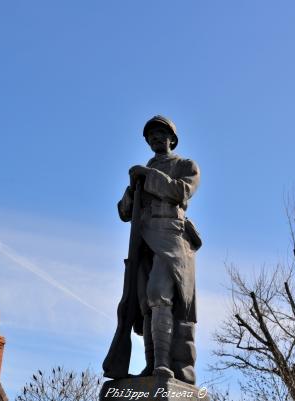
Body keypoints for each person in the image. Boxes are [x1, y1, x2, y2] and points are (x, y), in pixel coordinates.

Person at [115, 115, 202, 384]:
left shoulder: (185, 165)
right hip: (144, 242)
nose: (155, 138)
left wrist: (148, 176)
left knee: (159, 294)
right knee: (145, 304)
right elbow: (124, 212)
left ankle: (165, 363)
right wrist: (133, 189)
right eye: (151, 135)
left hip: (171, 239)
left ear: (172, 139)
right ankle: (152, 364)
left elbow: (181, 191)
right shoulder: (142, 172)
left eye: (160, 133)